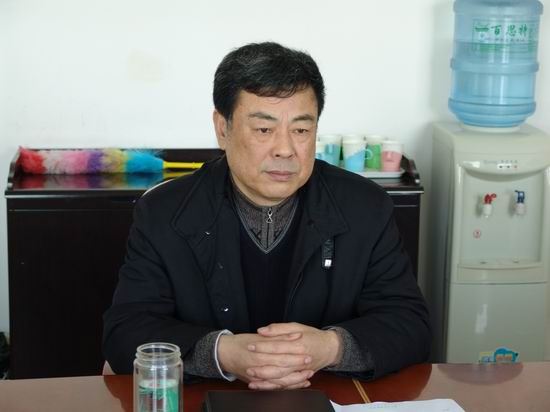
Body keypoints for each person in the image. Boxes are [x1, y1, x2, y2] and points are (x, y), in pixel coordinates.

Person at [103, 41, 430, 390]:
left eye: (301, 130)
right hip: (208, 397)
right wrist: (223, 353)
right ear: (223, 129)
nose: (285, 149)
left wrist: (329, 348)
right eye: (264, 129)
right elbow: (126, 332)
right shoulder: (164, 211)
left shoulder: (365, 206)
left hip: (326, 394)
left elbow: (410, 324)